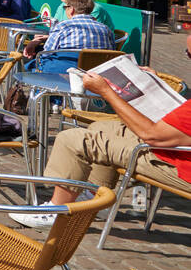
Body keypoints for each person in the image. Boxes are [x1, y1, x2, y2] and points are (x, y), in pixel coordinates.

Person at [10, 34, 191, 228]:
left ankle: (57, 211)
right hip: (175, 147)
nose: (188, 57)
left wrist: (107, 92)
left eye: (189, 54)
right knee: (101, 128)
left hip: (179, 165)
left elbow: (151, 135)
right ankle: (95, 198)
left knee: (73, 139)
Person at [22, 0, 115, 72]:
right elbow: (111, 52)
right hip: (94, 73)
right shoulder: (105, 29)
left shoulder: (62, 26)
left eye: (65, 7)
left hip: (63, 71)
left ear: (72, 10)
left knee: (30, 66)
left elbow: (47, 52)